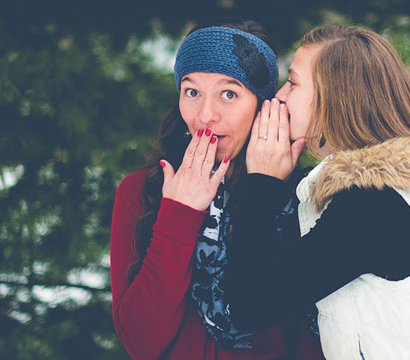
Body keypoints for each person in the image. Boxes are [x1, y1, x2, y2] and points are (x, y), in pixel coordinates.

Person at [223, 24, 410, 359]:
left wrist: (261, 184)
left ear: (334, 98)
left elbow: (249, 307)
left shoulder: (372, 208)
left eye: (293, 81)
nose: (281, 96)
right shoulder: (397, 194)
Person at [110, 20, 323, 360]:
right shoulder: (141, 190)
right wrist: (179, 214)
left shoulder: (304, 193)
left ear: (263, 105)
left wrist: (265, 188)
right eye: (191, 92)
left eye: (229, 94)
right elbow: (141, 342)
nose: (205, 115)